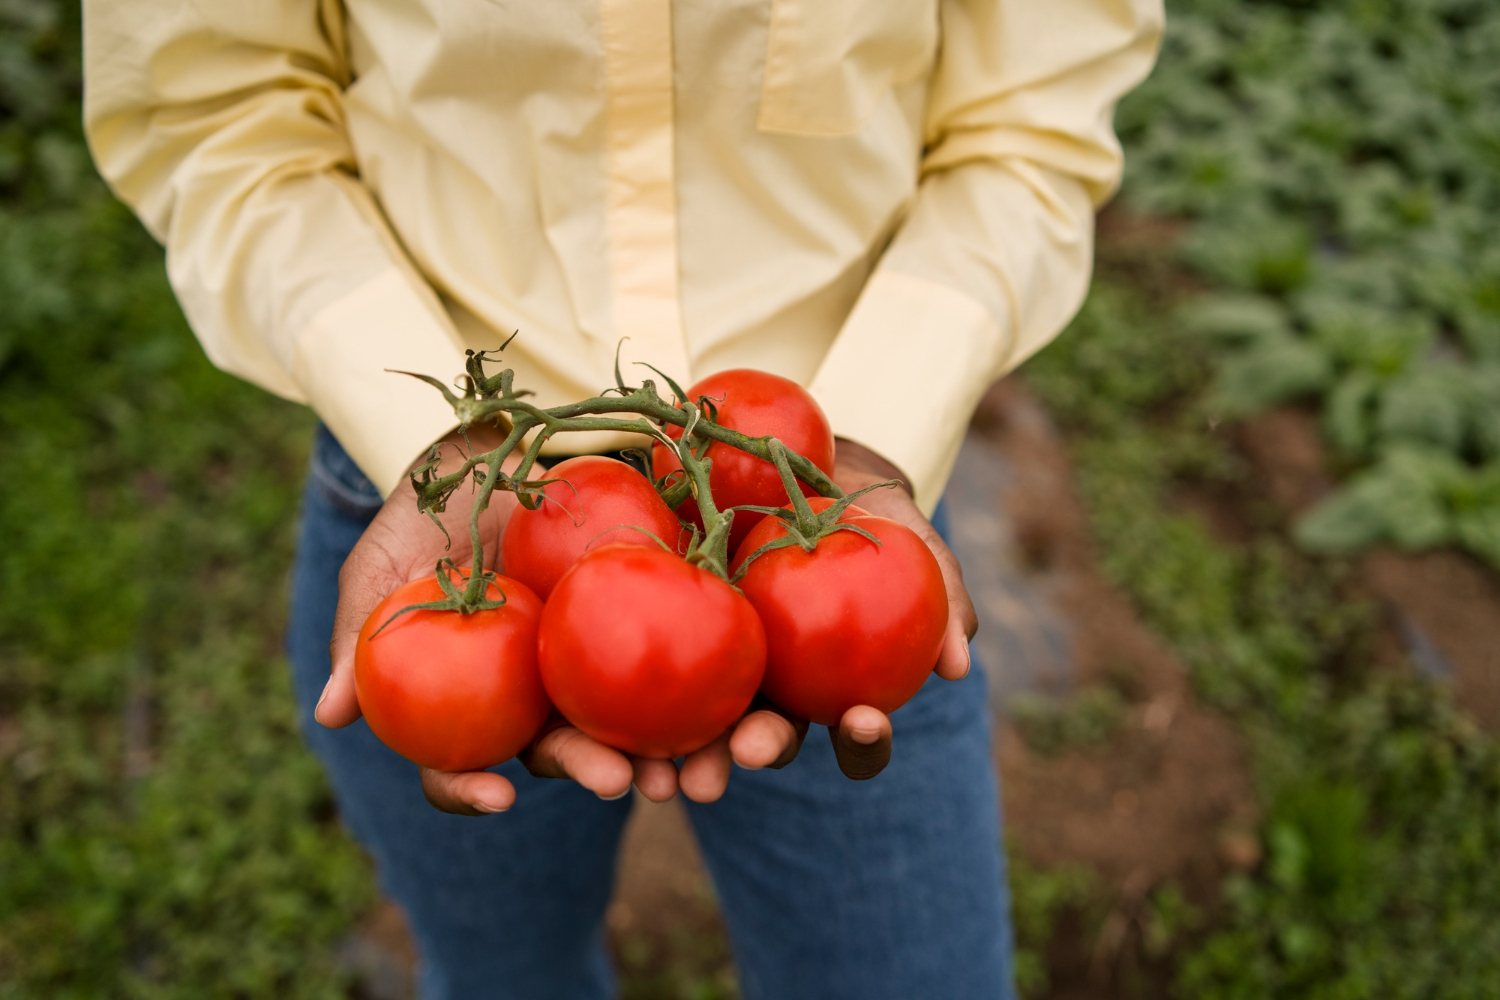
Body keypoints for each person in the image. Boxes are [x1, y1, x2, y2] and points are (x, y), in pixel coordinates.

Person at [83, 2, 1163, 997]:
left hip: (828, 516)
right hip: (452, 534)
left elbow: (1033, 112)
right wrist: (447, 444)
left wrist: (878, 423)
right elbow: (218, 106)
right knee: (504, 976)